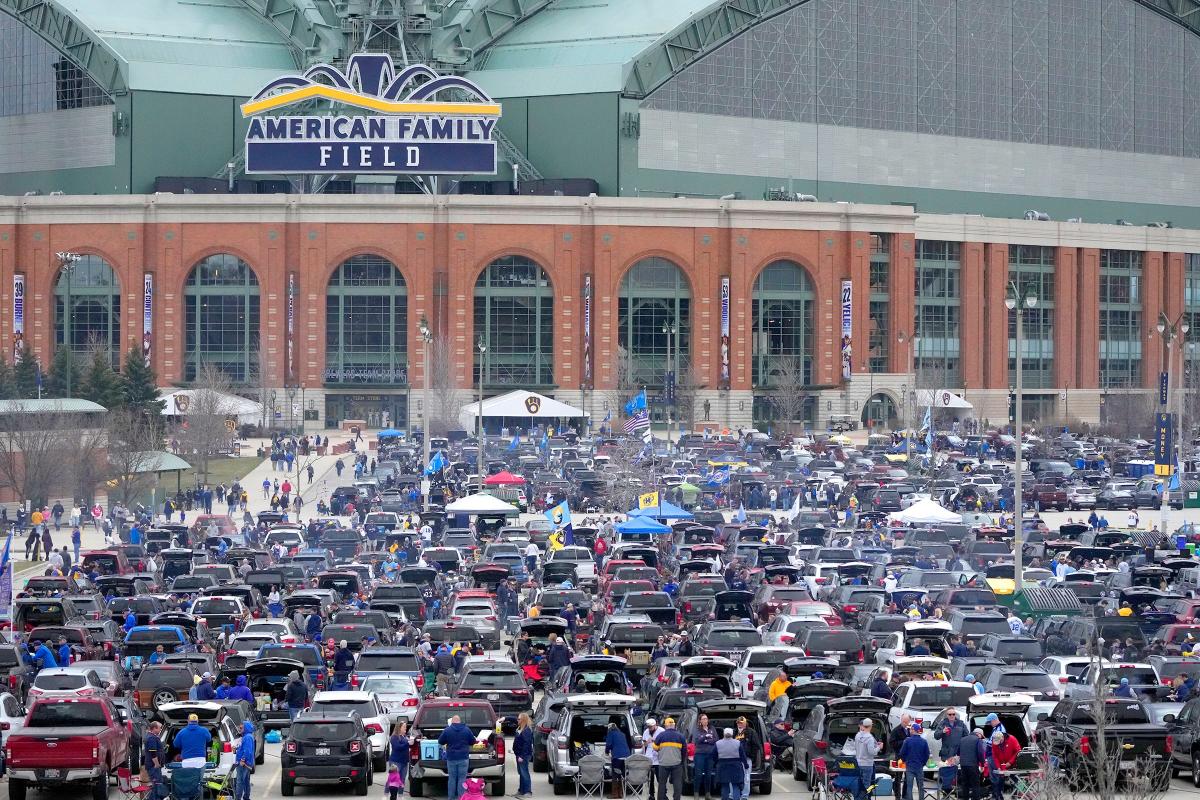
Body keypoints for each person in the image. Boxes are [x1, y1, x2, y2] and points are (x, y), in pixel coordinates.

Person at [438, 714, 476, 800]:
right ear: (460, 721)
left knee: (452, 779)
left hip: (451, 758)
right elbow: (473, 741)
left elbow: (440, 741)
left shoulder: (447, 730)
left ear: (452, 722)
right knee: (462, 779)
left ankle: (451, 798)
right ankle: (461, 798)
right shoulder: (467, 730)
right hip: (463, 758)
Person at [654, 717, 687, 800]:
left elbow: (654, 747)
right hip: (677, 763)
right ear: (674, 725)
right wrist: (681, 761)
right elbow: (684, 751)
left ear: (666, 726)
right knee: (677, 784)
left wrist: (661, 751)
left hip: (663, 763)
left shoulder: (660, 735)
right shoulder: (681, 736)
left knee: (662, 783)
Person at [983, 731, 1019, 800]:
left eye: (999, 741)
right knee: (999, 780)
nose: (997, 743)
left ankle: (1015, 795)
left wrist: (1010, 762)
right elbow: (995, 756)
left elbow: (1018, 751)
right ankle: (999, 796)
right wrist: (998, 767)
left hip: (1013, 764)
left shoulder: (1012, 739)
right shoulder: (995, 742)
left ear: (1002, 738)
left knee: (1015, 780)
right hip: (1002, 764)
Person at [898, 723, 930, 800]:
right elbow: (927, 754)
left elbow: (902, 753)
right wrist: (923, 763)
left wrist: (906, 761)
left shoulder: (907, 741)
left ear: (913, 730)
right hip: (919, 766)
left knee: (909, 787)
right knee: (921, 787)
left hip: (910, 766)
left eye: (911, 729)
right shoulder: (924, 741)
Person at [715, 728, 747, 800]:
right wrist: (746, 765)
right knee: (736, 786)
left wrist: (717, 762)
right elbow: (743, 756)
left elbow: (713, 755)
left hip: (722, 767)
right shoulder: (738, 743)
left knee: (725, 786)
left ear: (724, 734)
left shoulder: (718, 743)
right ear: (732, 734)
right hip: (735, 767)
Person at [691, 713, 718, 800]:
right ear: (700, 721)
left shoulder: (712, 728)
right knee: (698, 774)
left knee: (708, 775)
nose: (705, 720)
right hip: (700, 755)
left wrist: (706, 740)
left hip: (710, 755)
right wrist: (705, 737)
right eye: (703, 719)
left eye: (706, 719)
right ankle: (696, 794)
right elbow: (697, 741)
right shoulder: (697, 729)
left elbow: (715, 740)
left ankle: (707, 794)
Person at [853, 718, 881, 800]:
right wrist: (879, 747)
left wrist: (875, 744)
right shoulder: (869, 738)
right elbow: (872, 752)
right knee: (866, 786)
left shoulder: (857, 735)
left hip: (858, 763)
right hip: (867, 765)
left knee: (858, 785)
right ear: (870, 726)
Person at [605, 718, 631, 799]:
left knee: (615, 775)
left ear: (609, 728)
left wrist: (606, 751)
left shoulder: (610, 733)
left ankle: (614, 794)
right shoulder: (622, 734)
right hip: (626, 757)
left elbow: (609, 744)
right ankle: (621, 794)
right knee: (622, 775)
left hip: (617, 757)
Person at [956, 729, 985, 800]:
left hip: (963, 765)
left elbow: (958, 752)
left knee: (965, 784)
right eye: (981, 736)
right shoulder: (978, 740)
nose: (981, 738)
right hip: (973, 765)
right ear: (978, 734)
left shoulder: (962, 739)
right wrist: (983, 764)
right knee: (975, 785)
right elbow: (980, 753)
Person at [513, 713, 534, 799]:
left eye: (519, 719)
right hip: (519, 754)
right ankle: (521, 790)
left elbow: (527, 744)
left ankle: (527, 791)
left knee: (524, 773)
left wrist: (522, 756)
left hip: (523, 755)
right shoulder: (520, 728)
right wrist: (504, 718)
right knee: (521, 773)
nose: (517, 720)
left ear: (523, 720)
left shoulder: (526, 730)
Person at [144, 720, 166, 799]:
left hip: (153, 766)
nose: (160, 730)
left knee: (157, 784)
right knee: (156, 785)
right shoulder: (151, 738)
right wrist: (156, 764)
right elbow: (153, 752)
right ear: (154, 728)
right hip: (153, 766)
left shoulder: (152, 736)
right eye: (159, 728)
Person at [234, 721, 255, 800]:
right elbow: (245, 749)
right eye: (239, 728)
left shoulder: (247, 737)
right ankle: (246, 797)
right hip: (246, 763)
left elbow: (247, 751)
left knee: (240, 782)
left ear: (246, 728)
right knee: (246, 781)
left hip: (243, 764)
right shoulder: (247, 736)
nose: (240, 729)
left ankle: (238, 798)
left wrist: (242, 760)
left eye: (241, 728)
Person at [389, 722, 411, 794]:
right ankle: (393, 796)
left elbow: (406, 746)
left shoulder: (404, 737)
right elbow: (397, 747)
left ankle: (400, 795)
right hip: (395, 762)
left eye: (406, 727)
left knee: (402, 780)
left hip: (404, 762)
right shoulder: (394, 737)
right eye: (404, 727)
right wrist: (408, 743)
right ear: (399, 728)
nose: (405, 728)